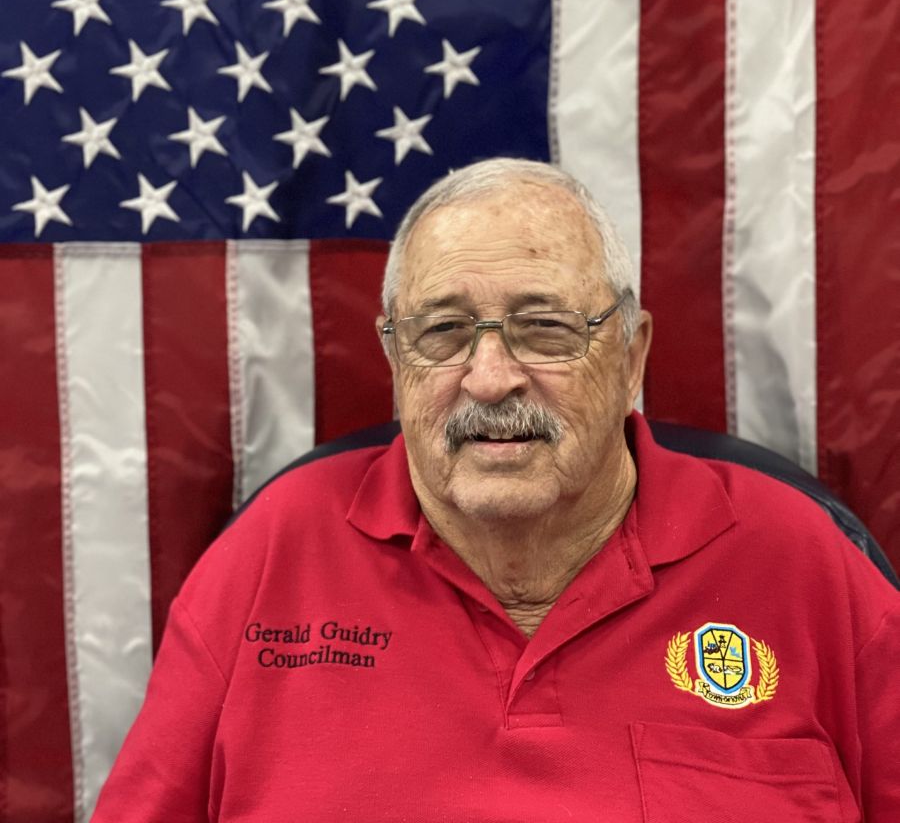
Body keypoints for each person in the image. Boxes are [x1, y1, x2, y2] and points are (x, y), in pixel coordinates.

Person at [92, 158, 898, 822]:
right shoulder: (270, 555)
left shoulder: (801, 561)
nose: (489, 378)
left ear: (631, 356)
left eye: (544, 326)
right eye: (442, 331)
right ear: (395, 360)